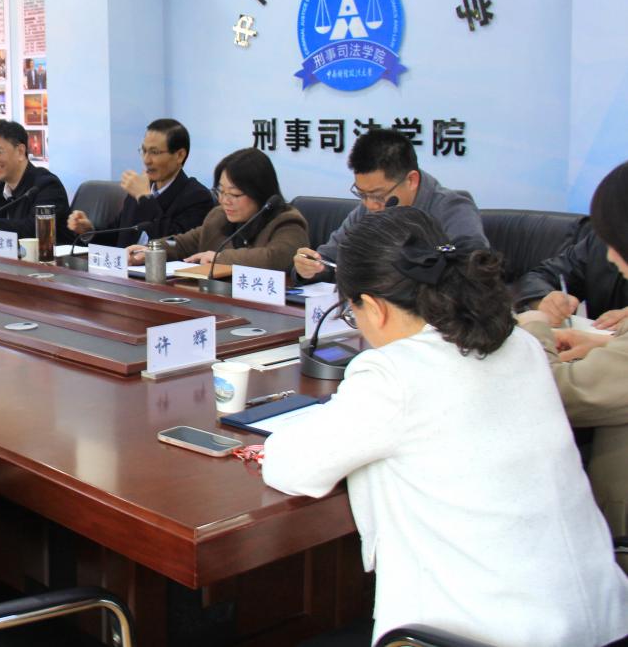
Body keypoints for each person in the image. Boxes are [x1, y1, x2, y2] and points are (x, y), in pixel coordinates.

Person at [263, 207, 628, 646]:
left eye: (351, 312)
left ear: (374, 308)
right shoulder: (519, 344)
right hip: (606, 621)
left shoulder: (394, 373)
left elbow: (289, 467)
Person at [518, 161, 628, 572]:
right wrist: (604, 342)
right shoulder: (593, 247)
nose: (610, 256)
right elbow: (545, 274)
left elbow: (557, 393)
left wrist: (534, 326)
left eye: (616, 242)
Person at [293, 128, 486, 281]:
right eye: (362, 194)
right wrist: (310, 268)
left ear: (411, 180)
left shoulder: (452, 208)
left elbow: (472, 268)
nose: (370, 205)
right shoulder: (367, 209)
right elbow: (331, 257)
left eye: (378, 195)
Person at [129, 147, 307, 274]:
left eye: (234, 194)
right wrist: (151, 250)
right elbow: (182, 243)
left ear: (259, 193)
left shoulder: (286, 222)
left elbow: (275, 258)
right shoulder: (219, 216)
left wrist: (219, 258)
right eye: (221, 191)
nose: (224, 200)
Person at [66, 118, 214, 248]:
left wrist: (144, 198)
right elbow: (117, 237)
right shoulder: (139, 190)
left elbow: (173, 244)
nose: (146, 160)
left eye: (154, 152)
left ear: (179, 155)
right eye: (144, 151)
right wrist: (89, 231)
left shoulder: (197, 196)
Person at [513, 226, 628, 329]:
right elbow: (540, 276)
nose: (610, 257)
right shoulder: (601, 241)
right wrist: (545, 300)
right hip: (590, 341)